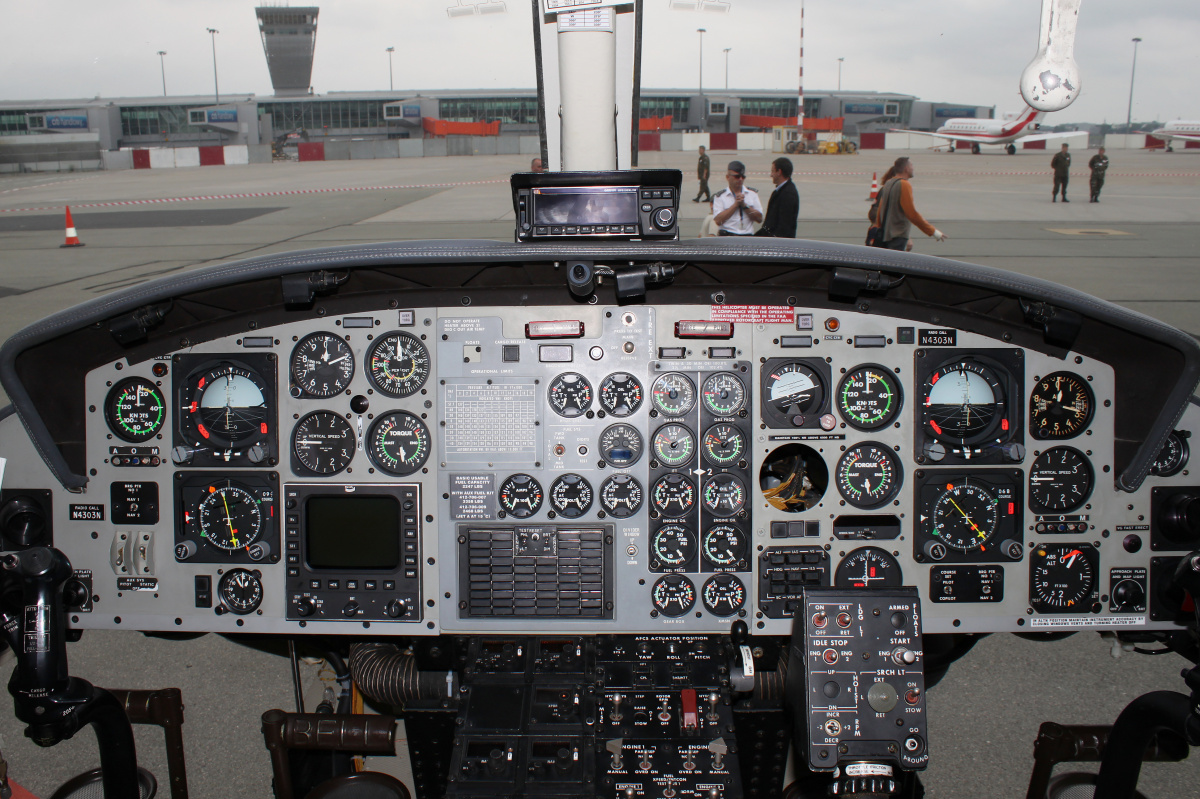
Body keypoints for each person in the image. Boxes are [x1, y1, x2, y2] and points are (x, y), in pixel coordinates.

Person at [873, 156, 947, 250]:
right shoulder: (904, 184)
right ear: (906, 169)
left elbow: (880, 212)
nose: (913, 168)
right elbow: (911, 213)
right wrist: (932, 231)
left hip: (885, 235)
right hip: (897, 236)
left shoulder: (888, 183)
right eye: (912, 166)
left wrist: (881, 229)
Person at [711, 160, 763, 236]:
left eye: (743, 177)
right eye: (737, 177)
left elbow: (759, 219)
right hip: (728, 236)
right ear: (728, 177)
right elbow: (718, 221)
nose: (740, 179)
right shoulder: (720, 196)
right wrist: (735, 205)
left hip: (747, 236)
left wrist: (745, 206)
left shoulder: (752, 194)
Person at [755, 157, 799, 238]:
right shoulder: (781, 190)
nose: (771, 175)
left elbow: (784, 227)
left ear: (779, 172)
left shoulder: (788, 194)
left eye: (772, 171)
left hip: (778, 243)